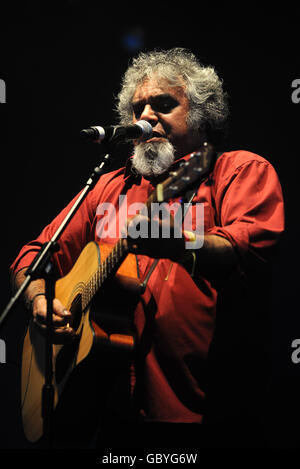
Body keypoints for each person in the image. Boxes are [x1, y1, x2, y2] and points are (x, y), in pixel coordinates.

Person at [10, 48, 284, 449]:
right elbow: (34, 254)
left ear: (202, 116)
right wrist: (37, 300)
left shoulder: (238, 171)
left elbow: (249, 249)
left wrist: (181, 242)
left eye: (164, 104)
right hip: (108, 406)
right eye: (138, 108)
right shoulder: (110, 186)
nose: (147, 117)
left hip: (203, 409)